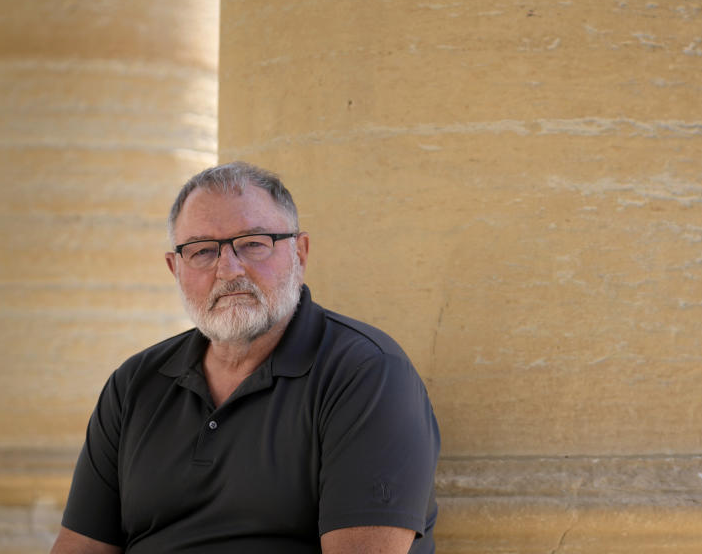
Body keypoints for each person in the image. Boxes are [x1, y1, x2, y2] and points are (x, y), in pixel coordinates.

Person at [50, 162, 440, 554]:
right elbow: (80, 546)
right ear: (175, 268)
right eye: (202, 251)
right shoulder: (135, 382)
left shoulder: (367, 374)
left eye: (253, 243)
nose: (228, 269)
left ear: (300, 253)